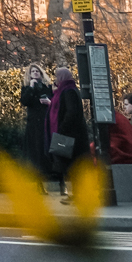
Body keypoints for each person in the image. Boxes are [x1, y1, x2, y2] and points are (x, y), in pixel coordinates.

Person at [48, 62, 89, 196]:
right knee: (71, 165)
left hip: (70, 135)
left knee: (72, 165)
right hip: (71, 134)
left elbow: (71, 112)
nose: (55, 79)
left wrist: (62, 128)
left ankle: (78, 194)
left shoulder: (68, 91)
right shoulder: (67, 89)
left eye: (57, 76)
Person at [20, 63, 52, 177]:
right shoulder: (26, 88)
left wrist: (49, 102)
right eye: (33, 71)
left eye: (37, 71)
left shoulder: (47, 87)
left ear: (41, 73)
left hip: (45, 121)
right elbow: (24, 101)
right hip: (33, 123)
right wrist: (31, 88)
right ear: (30, 74)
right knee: (34, 149)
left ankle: (49, 172)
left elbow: (55, 102)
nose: (35, 73)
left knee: (46, 147)